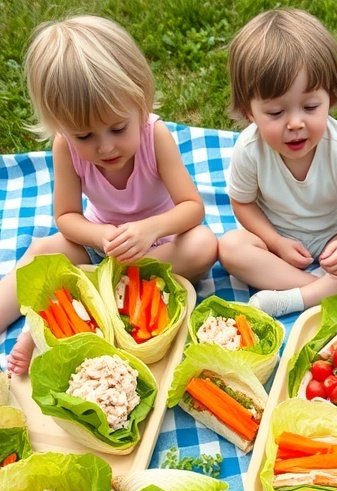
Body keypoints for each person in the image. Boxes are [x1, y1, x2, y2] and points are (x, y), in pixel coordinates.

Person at [1, 15, 217, 374]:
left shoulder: (155, 137)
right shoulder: (64, 146)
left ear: (141, 103)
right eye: (84, 137)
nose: (104, 147)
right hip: (101, 248)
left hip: (155, 250)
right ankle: (81, 300)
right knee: (43, 251)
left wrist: (150, 229)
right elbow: (67, 217)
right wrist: (100, 235)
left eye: (118, 128)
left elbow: (192, 208)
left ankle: (76, 308)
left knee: (205, 244)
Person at [217, 8, 337, 319]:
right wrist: (277, 242)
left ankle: (298, 298)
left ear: (331, 99)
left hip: (335, 235)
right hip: (275, 240)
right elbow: (242, 204)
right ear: (249, 112)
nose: (295, 123)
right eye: (276, 113)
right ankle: (322, 292)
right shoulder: (250, 149)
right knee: (229, 248)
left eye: (310, 107)